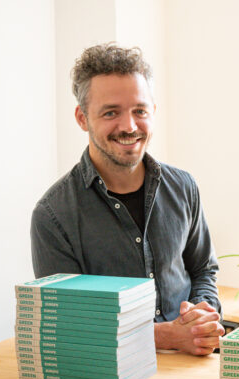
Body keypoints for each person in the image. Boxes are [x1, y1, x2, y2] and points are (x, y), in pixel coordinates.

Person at [30, 43, 224, 355]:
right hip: (110, 372)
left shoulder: (184, 187)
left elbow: (203, 270)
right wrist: (166, 336)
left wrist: (202, 314)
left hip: (192, 362)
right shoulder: (52, 215)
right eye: (111, 113)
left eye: (139, 111)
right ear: (82, 118)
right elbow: (70, 321)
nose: (129, 126)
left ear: (153, 112)